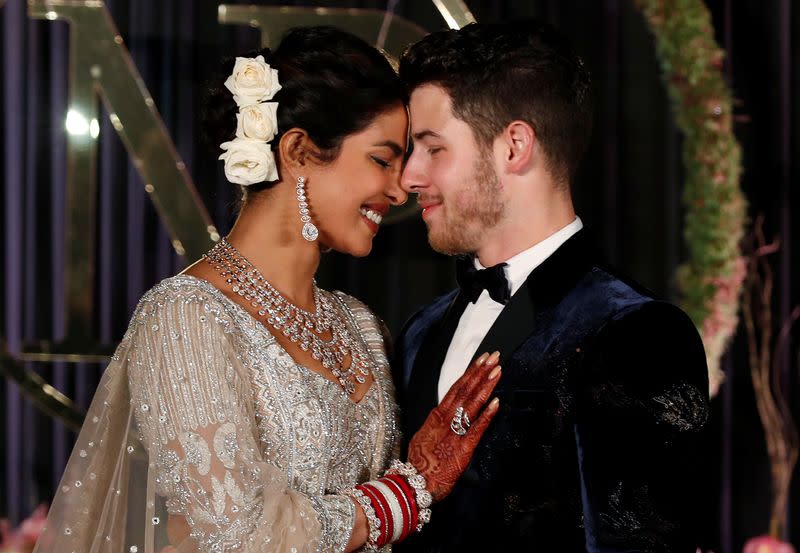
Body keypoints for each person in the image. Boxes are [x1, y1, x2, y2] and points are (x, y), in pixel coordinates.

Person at [32, 27, 500, 553]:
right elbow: (241, 530)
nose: (398, 188)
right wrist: (408, 493)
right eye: (381, 159)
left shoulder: (360, 325)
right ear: (298, 151)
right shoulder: (185, 316)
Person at [393, 20, 710, 553]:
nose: (408, 176)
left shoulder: (637, 333)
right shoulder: (419, 332)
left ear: (514, 145)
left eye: (432, 148)